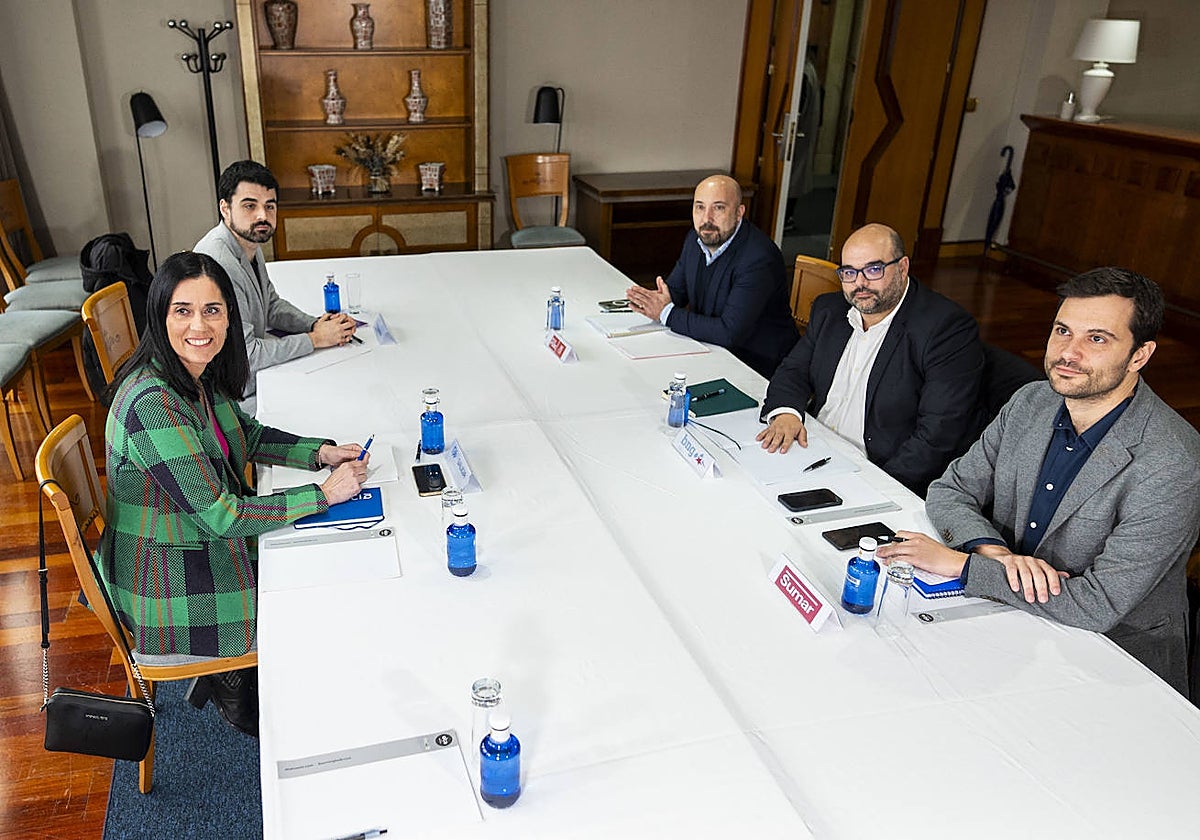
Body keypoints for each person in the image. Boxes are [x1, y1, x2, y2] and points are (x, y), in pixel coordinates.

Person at [878, 268, 1200, 696]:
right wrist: (995, 556)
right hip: (1006, 620)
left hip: (1112, 661)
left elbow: (1096, 604)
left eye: (1097, 339)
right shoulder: (1032, 400)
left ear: (1140, 355)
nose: (1069, 352)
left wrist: (962, 565)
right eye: (1063, 331)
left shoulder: (1172, 462)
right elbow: (951, 489)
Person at [98, 251, 369, 736]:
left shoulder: (190, 376)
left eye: (212, 310)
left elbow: (248, 433)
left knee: (323, 565)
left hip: (189, 548)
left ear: (229, 317)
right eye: (183, 310)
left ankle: (244, 675)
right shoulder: (152, 404)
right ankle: (252, 687)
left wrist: (320, 452)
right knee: (322, 597)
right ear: (160, 315)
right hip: (169, 584)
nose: (199, 325)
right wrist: (322, 495)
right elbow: (223, 516)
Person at [755, 223, 985, 495]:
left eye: (874, 270)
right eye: (849, 273)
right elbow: (793, 370)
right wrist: (786, 413)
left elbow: (936, 436)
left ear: (902, 267)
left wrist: (873, 487)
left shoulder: (946, 329)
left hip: (878, 473)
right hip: (813, 447)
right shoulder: (830, 311)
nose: (860, 283)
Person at [195, 160, 357, 413]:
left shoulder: (247, 242)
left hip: (247, 377)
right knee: (334, 401)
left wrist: (314, 324)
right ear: (225, 208)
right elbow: (247, 356)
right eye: (250, 205)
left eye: (269, 206)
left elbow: (270, 305)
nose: (262, 216)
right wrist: (315, 339)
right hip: (228, 397)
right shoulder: (219, 262)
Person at [624, 174, 799, 378]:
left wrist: (665, 313)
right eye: (700, 207)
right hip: (710, 349)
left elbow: (729, 333)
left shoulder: (759, 259)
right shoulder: (696, 239)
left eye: (718, 208)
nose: (706, 219)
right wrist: (652, 301)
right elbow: (676, 293)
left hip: (758, 367)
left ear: (739, 213)